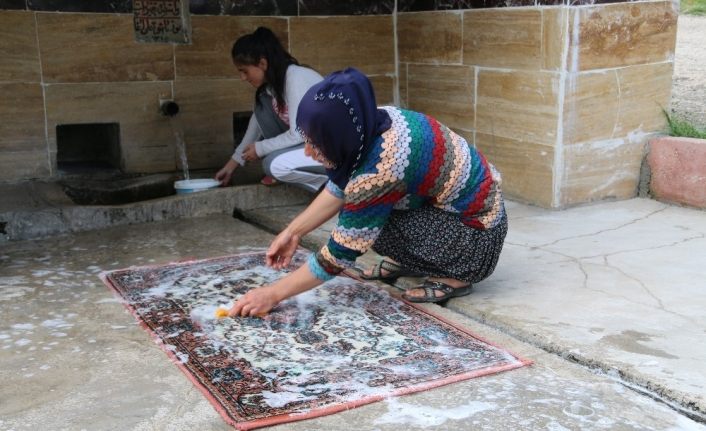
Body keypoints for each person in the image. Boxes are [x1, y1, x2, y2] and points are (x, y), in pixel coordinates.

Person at [228, 67, 508, 317]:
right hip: (453, 215)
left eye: (316, 143)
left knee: (364, 226)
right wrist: (293, 233)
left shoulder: (381, 168)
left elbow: (340, 252)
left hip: (476, 235)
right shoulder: (369, 122)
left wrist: (272, 294)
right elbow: (340, 187)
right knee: (366, 215)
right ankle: (413, 260)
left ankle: (457, 276)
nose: (308, 152)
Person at [214, 27, 327, 192]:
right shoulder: (269, 91)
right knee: (263, 105)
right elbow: (255, 129)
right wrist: (231, 165)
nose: (242, 78)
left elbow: (299, 133)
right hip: (310, 148)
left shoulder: (296, 77)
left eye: (244, 71)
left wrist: (261, 148)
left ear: (262, 63)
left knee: (272, 164)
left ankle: (334, 187)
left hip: (332, 149)